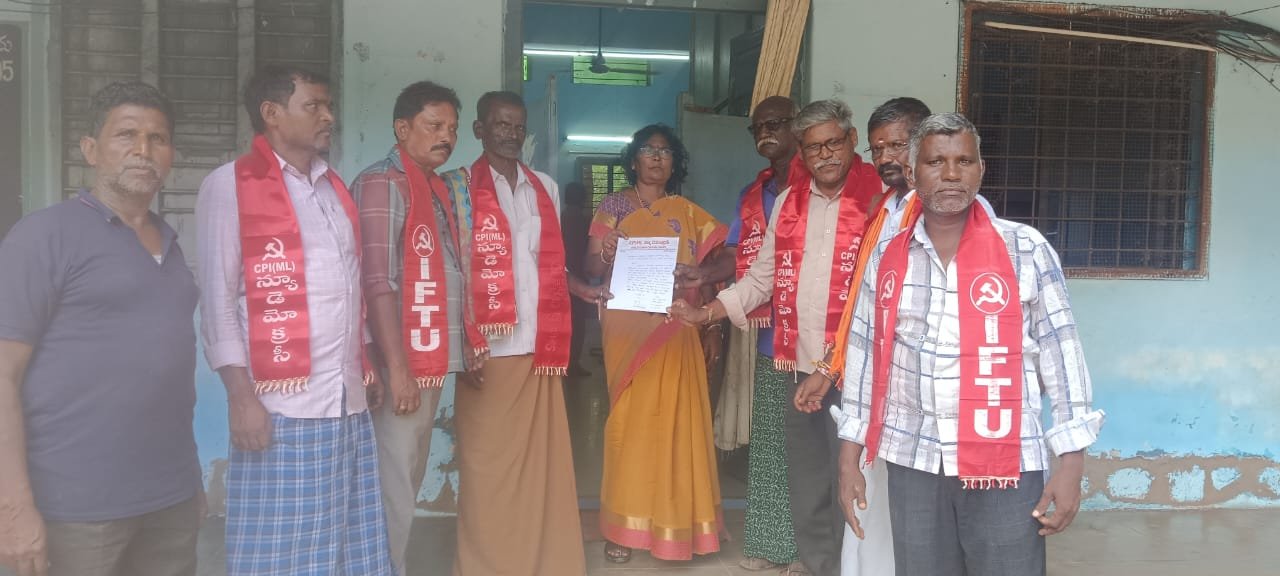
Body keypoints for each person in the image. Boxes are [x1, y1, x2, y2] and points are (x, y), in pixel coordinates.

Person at [836, 113, 1106, 576]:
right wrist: (848, 458)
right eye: (935, 162)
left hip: (1005, 460)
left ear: (981, 169)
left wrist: (1071, 462)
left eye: (964, 161)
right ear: (912, 172)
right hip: (914, 457)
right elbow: (865, 353)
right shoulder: (888, 256)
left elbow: (1062, 356)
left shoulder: (1025, 249)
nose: (951, 174)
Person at [669, 99, 881, 576]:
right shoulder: (789, 204)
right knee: (808, 477)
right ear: (802, 152)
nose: (825, 155)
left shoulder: (879, 200)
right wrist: (706, 313)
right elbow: (761, 278)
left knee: (858, 478)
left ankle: (858, 567)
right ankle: (820, 565)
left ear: (852, 141)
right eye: (813, 147)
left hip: (860, 370)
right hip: (799, 366)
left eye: (833, 143)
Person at [196, 65, 393, 575]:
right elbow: (217, 302)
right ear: (272, 113)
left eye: (329, 106)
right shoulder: (230, 186)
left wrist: (363, 364)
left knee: (346, 541)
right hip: (282, 406)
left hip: (345, 403)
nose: (328, 117)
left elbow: (349, 285)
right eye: (314, 106)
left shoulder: (331, 188)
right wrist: (241, 399)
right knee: (282, 548)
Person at [0, 81, 201, 576]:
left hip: (169, 499)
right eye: (126, 134)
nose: (143, 149)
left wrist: (191, 483)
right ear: (90, 149)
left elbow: (170, 373)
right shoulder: (45, 236)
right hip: (76, 508)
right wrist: (14, 507)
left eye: (157, 138)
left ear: (171, 155)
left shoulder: (171, 245)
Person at [438, 91, 594, 576]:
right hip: (487, 352)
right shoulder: (456, 189)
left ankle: (544, 562)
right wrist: (462, 345)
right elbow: (449, 273)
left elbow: (548, 265)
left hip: (538, 348)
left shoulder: (543, 186)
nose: (510, 133)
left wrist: (582, 289)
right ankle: (487, 565)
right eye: (500, 124)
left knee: (542, 466)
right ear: (479, 130)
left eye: (517, 126)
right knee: (487, 468)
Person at [586, 123, 728, 564]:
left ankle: (681, 529)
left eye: (665, 152)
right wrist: (607, 250)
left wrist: (712, 326)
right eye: (648, 150)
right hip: (627, 329)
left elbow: (716, 265)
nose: (656, 157)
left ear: (674, 162)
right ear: (634, 160)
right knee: (629, 427)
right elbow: (591, 267)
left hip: (677, 325)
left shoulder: (687, 212)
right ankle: (623, 529)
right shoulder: (613, 206)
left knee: (679, 425)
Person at [349, 80, 466, 576]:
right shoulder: (384, 183)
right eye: (434, 125)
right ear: (402, 128)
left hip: (426, 358)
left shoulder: (432, 188)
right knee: (393, 479)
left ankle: (386, 564)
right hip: (403, 362)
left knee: (406, 473)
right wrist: (397, 370)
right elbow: (376, 281)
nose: (446, 137)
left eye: (452, 129)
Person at [562, 182, 594, 377]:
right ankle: (573, 363)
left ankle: (562, 362)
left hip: (560, 278)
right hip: (579, 278)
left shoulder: (560, 218)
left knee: (563, 322)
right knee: (577, 324)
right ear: (583, 199)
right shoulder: (585, 221)